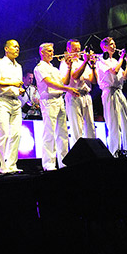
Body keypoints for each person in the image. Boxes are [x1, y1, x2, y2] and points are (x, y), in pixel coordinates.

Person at [34, 43, 81, 171]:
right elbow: (50, 83)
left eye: (52, 50)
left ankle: (64, 161)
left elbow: (64, 82)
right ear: (42, 52)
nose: (52, 53)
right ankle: (48, 163)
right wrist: (68, 89)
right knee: (49, 132)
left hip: (59, 100)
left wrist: (69, 67)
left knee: (63, 133)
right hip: (49, 101)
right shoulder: (40, 67)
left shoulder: (54, 68)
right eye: (49, 51)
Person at [95, 37, 127, 158]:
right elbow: (114, 71)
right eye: (111, 44)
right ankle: (115, 154)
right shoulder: (101, 60)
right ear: (104, 47)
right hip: (109, 92)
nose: (114, 46)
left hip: (119, 92)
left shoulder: (114, 60)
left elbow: (124, 76)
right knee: (114, 124)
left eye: (114, 44)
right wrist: (122, 58)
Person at [0, 40, 24, 174]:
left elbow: (16, 85)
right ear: (6, 48)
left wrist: (18, 89)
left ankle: (12, 164)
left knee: (16, 134)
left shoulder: (18, 66)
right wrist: (12, 84)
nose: (17, 49)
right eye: (15, 46)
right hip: (2, 101)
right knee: (3, 133)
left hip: (15, 101)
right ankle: (1, 166)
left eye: (18, 47)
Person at [58, 39, 97, 142]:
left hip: (86, 96)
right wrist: (85, 62)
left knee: (90, 126)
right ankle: (78, 154)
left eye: (79, 49)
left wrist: (92, 66)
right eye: (75, 49)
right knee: (77, 127)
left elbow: (93, 81)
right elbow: (75, 76)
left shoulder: (84, 63)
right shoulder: (65, 63)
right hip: (74, 96)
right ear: (68, 49)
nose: (78, 51)